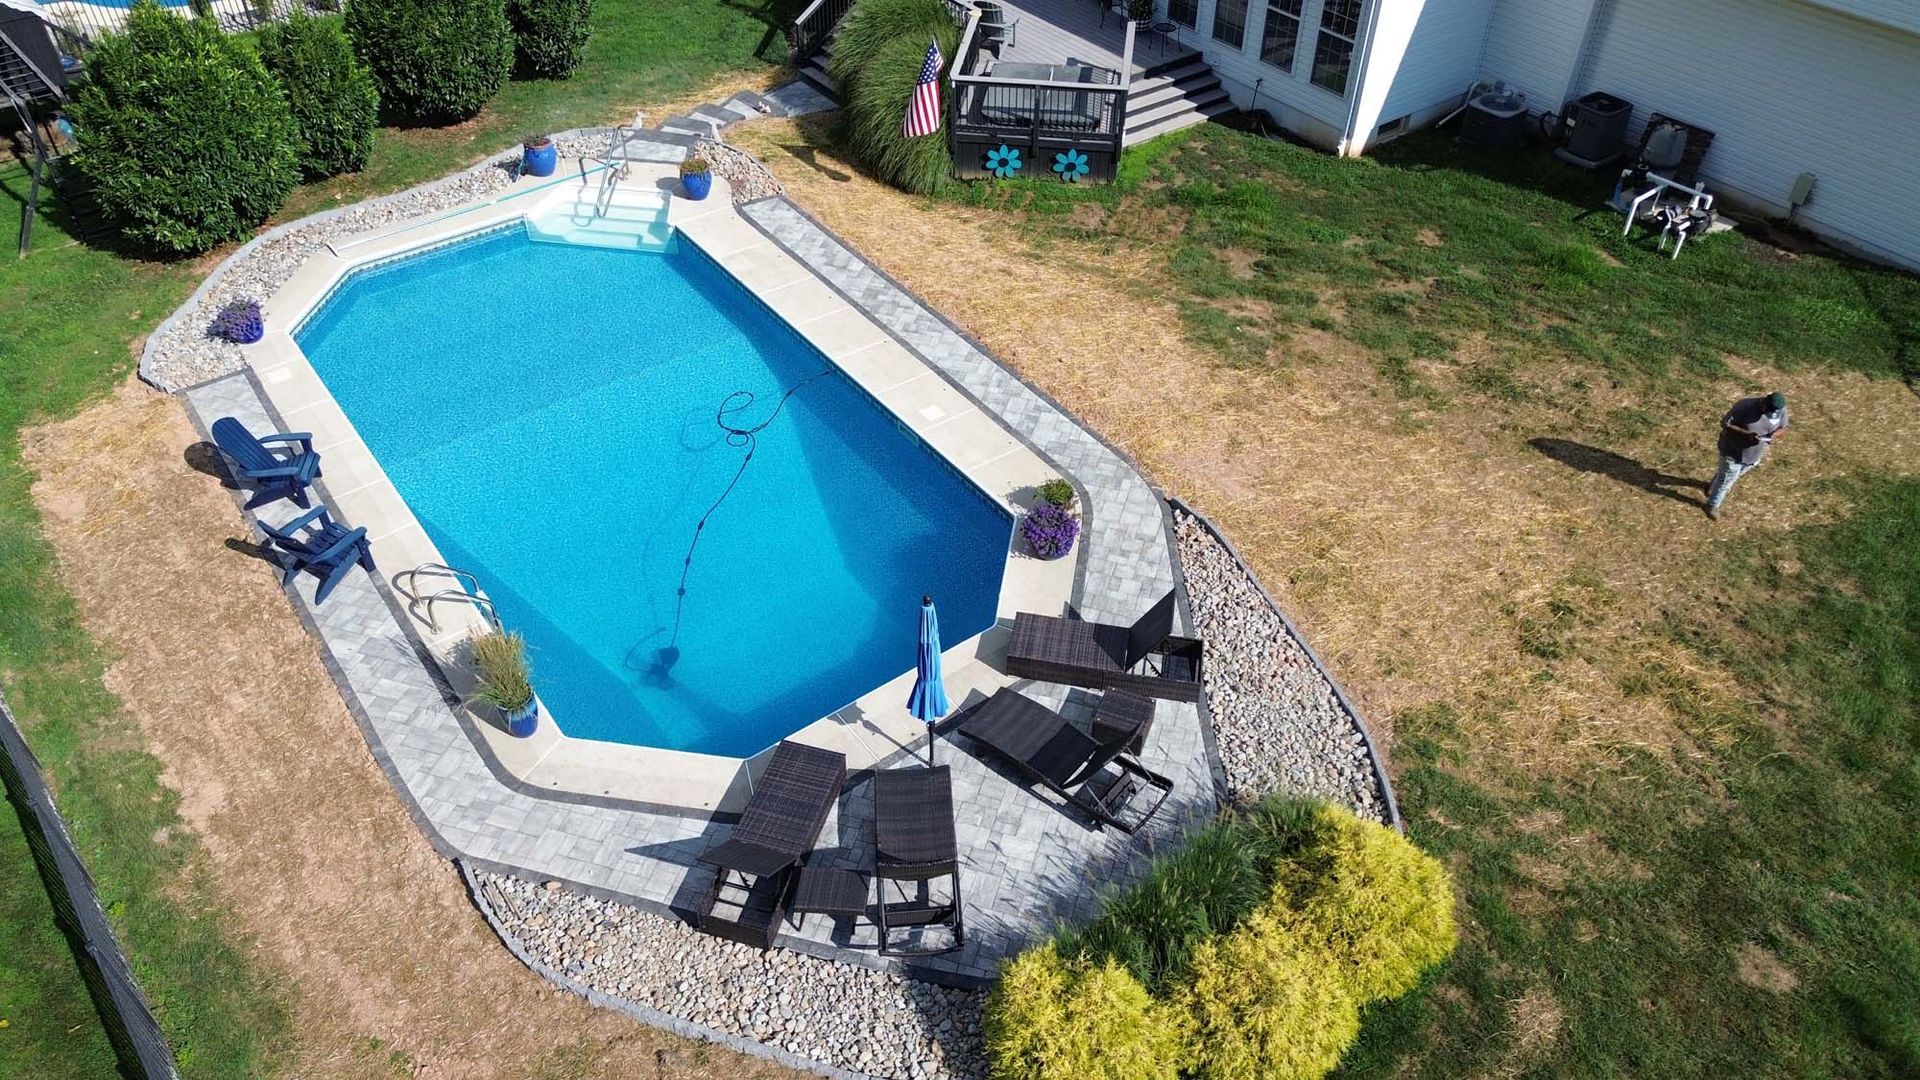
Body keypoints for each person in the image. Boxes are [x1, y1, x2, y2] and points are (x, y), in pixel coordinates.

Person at [1706, 391, 1789, 519]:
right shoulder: (1745, 406)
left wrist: (1773, 435)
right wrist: (1746, 434)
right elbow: (1725, 423)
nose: (1769, 415)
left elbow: (1784, 427)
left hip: (1753, 456)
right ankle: (1712, 505)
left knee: (1728, 476)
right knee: (1726, 481)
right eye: (1767, 411)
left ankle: (1711, 488)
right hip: (1733, 452)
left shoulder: (1779, 409)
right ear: (1764, 402)